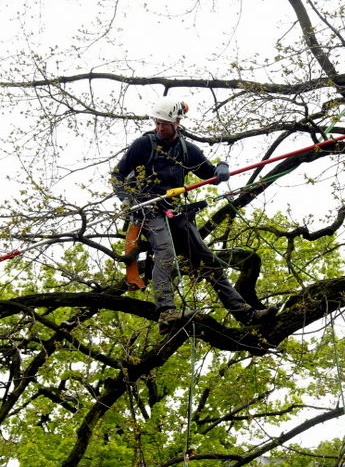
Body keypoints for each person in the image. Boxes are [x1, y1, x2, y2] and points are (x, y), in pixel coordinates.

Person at [111, 97, 278, 332]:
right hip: (148, 210)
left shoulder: (187, 150)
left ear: (177, 123)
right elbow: (117, 176)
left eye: (165, 124)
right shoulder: (144, 145)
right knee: (165, 252)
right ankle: (167, 312)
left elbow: (209, 173)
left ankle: (245, 313)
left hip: (176, 212)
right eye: (157, 123)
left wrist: (222, 166)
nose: (160, 128)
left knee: (208, 259)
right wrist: (130, 200)